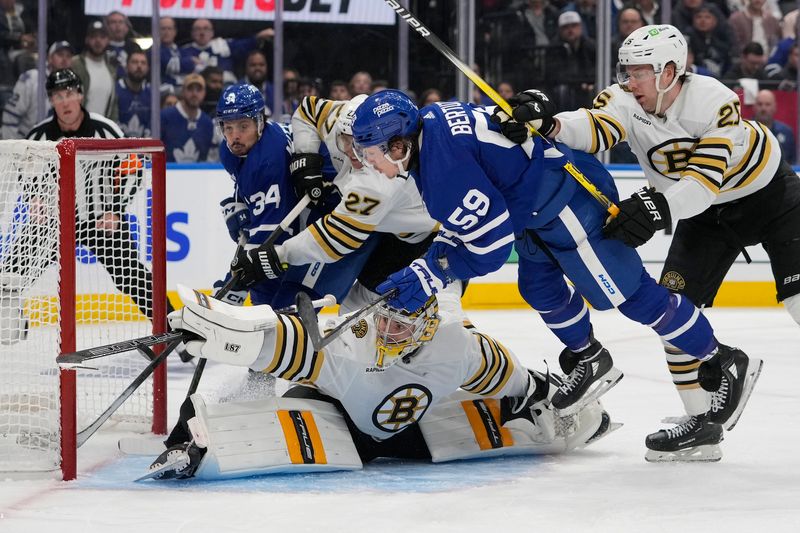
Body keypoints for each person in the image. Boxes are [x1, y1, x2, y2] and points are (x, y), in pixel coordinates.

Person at [352, 88, 762, 464]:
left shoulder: (443, 177)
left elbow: (491, 246)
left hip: (567, 202)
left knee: (633, 295)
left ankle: (721, 359)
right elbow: (483, 204)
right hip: (535, 206)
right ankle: (590, 358)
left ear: (399, 145)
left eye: (371, 152)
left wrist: (431, 272)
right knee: (537, 286)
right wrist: (429, 265)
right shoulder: (434, 119)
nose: (367, 161)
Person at [497, 24, 788, 460]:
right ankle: (704, 426)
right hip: (704, 219)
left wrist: (658, 210)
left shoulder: (715, 101)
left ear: (670, 71)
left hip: (770, 199)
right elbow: (596, 127)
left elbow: (701, 186)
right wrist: (551, 124)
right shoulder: (624, 98)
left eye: (639, 73)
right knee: (674, 318)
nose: (629, 81)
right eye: (626, 72)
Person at [143, 285, 615, 480]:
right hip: (337, 416)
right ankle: (188, 441)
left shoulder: (461, 349)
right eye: (385, 320)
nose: (389, 331)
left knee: (515, 400)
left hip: (404, 435)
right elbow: (281, 342)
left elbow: (514, 378)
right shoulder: (351, 339)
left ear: (428, 325)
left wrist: (548, 400)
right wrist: (219, 335)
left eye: (402, 326)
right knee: (284, 397)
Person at [229, 93, 441, 313]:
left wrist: (278, 256)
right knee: (354, 314)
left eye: (359, 143)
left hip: (420, 242)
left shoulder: (379, 179)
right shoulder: (340, 119)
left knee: (367, 313)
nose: (351, 151)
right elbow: (308, 109)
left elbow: (335, 238)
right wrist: (306, 158)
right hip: (378, 225)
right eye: (346, 140)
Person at [0, 69, 163, 340]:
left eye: (69, 94)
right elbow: (25, 176)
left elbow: (133, 169)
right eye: (58, 96)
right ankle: (12, 329)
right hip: (54, 224)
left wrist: (115, 209)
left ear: (80, 95)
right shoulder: (38, 136)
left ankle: (172, 332)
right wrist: (34, 199)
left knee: (131, 276)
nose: (65, 102)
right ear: (51, 100)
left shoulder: (105, 129)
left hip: (101, 220)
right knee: (9, 275)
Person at [213, 83, 296, 307]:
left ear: (260, 122)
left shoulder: (269, 159)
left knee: (267, 286)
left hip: (323, 208)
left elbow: (271, 235)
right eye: (228, 128)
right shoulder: (230, 150)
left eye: (243, 126)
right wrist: (240, 202)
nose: (234, 136)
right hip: (288, 204)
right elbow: (245, 184)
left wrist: (234, 283)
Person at [2, 40, 73, 139]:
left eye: (68, 56)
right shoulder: (32, 78)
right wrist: (11, 147)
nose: (65, 59)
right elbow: (11, 116)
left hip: (51, 148)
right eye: (60, 55)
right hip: (24, 144)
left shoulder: (72, 88)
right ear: (50, 58)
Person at [180, 18, 273, 86]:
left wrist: (258, 37)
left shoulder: (223, 45)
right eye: (198, 29)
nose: (202, 32)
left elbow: (242, 46)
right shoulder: (184, 51)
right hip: (197, 89)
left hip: (226, 87)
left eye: (206, 29)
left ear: (212, 32)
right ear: (192, 33)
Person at [160, 73, 215, 162]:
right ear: (182, 91)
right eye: (190, 89)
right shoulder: (165, 116)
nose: (194, 94)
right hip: (168, 173)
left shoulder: (207, 123)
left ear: (204, 93)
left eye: (199, 89)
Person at [71, 20, 118, 121]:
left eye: (102, 37)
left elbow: (113, 104)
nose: (98, 41)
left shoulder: (111, 70)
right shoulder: (75, 64)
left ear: (108, 40)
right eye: (93, 37)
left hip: (102, 132)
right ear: (87, 40)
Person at [754, 89, 796, 164]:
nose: (763, 108)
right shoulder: (745, 129)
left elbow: (793, 162)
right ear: (754, 107)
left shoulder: (786, 132)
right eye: (760, 104)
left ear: (774, 107)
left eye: (767, 104)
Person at [116, 50, 151, 137]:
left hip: (143, 147)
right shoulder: (115, 90)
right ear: (126, 66)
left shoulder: (151, 93)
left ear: (147, 68)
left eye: (143, 63)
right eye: (135, 62)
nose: (139, 66)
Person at [154, 16, 194, 91]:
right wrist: (190, 61)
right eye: (163, 29)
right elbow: (169, 64)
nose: (166, 32)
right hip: (163, 92)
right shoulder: (153, 51)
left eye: (169, 28)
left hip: (184, 91)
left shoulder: (182, 51)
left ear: (175, 32)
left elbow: (193, 67)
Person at [104, 10, 142, 79]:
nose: (117, 25)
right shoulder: (101, 47)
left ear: (127, 28)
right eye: (113, 22)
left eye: (121, 22)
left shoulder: (134, 47)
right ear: (106, 27)